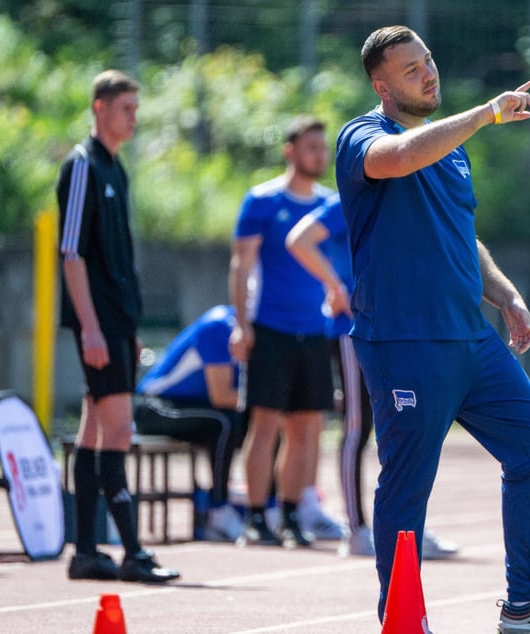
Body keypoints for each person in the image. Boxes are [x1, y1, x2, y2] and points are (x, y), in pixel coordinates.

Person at [335, 26, 530, 632]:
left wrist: (505, 296)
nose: (428, 73)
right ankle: (402, 620)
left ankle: (526, 600)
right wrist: (484, 114)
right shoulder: (362, 136)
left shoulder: (451, 148)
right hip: (405, 343)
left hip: (471, 339)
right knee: (408, 485)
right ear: (382, 86)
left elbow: (463, 236)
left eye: (427, 59)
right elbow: (399, 159)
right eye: (410, 70)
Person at [285, 195, 460, 560]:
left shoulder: (400, 204)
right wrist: (335, 286)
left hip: (397, 328)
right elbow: (298, 238)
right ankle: (357, 529)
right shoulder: (348, 200)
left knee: (405, 427)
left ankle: (406, 528)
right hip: (354, 328)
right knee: (356, 425)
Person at [57, 69, 179, 584]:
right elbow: (71, 252)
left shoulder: (116, 169)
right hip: (98, 324)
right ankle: (133, 552)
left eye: (135, 108)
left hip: (115, 323)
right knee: (118, 431)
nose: (133, 117)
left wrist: (126, 326)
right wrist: (90, 328)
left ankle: (86, 551)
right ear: (99, 108)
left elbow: (119, 259)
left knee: (93, 432)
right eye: (126, 108)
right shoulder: (82, 166)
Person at [229, 115, 340, 548]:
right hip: (270, 326)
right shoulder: (261, 200)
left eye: (322, 147)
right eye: (310, 146)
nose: (319, 154)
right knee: (266, 423)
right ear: (290, 150)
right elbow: (241, 265)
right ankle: (257, 516)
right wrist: (242, 324)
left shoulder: (330, 203)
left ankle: (293, 515)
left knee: (308, 426)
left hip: (314, 329)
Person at [134, 304, 247, 542]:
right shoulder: (219, 326)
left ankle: (267, 507)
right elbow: (222, 396)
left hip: (192, 406)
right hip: (154, 405)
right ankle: (218, 508)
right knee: (223, 422)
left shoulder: (267, 334)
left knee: (257, 422)